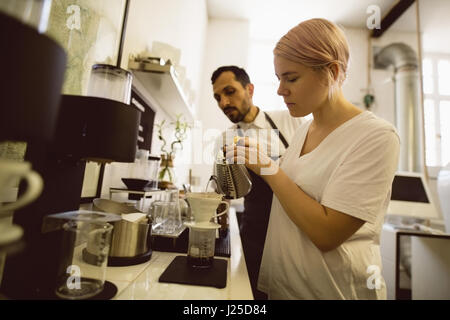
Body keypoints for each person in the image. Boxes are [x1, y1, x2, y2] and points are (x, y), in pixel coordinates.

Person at [225, 18, 400, 299]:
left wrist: (267, 167)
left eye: (291, 78)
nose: (281, 90)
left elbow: (327, 233)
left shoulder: (375, 136)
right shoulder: (304, 130)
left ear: (331, 72)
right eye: (279, 78)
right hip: (286, 289)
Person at [211, 66, 304, 299]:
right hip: (254, 235)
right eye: (217, 97)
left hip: (297, 232)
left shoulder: (289, 120)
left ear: (249, 89)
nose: (223, 103)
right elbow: (223, 194)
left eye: (229, 92)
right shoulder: (226, 139)